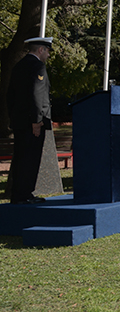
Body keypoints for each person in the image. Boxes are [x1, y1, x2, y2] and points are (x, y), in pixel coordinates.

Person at [7, 37, 53, 204]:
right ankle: (25, 194)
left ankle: (18, 194)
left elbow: (10, 96)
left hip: (20, 121)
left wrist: (15, 117)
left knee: (20, 158)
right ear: (41, 50)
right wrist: (37, 120)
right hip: (32, 123)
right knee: (30, 159)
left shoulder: (19, 66)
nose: (48, 55)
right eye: (47, 51)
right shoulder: (37, 66)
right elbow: (37, 94)